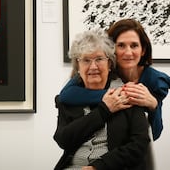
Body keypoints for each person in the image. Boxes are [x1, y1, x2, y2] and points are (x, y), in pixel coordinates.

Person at [59, 19, 170, 141]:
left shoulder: (154, 80)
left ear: (143, 50)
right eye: (121, 45)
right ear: (111, 49)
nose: (128, 52)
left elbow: (155, 133)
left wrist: (153, 105)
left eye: (134, 45)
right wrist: (116, 95)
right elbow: (65, 95)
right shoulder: (100, 70)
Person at [53, 29, 150, 170]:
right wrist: (103, 110)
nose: (93, 66)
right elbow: (63, 140)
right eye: (86, 60)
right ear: (78, 67)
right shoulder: (68, 100)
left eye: (99, 59)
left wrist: (98, 167)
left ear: (109, 64)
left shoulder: (127, 94)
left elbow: (138, 145)